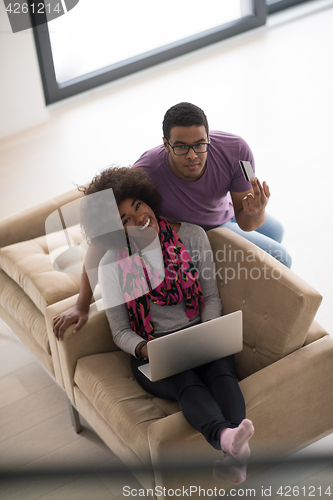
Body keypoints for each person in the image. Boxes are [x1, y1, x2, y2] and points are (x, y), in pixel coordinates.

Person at [58, 166, 255, 484]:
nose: (139, 219)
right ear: (113, 229)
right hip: (151, 350)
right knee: (186, 382)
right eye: (125, 219)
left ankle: (235, 451)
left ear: (148, 199)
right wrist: (143, 348)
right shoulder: (111, 264)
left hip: (200, 332)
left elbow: (211, 297)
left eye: (138, 206)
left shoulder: (191, 236)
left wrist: (206, 333)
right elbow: (120, 330)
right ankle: (226, 438)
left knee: (220, 370)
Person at [52, 101, 291, 339]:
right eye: (180, 147)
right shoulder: (145, 171)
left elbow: (246, 221)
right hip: (199, 233)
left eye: (200, 144)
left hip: (226, 214)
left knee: (275, 229)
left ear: (209, 137)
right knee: (284, 259)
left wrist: (257, 212)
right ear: (166, 144)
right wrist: (82, 304)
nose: (192, 155)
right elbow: (100, 239)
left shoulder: (237, 149)